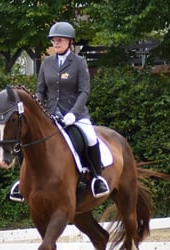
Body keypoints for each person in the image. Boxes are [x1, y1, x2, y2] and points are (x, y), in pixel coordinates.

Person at [9, 21, 111, 202]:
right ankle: (21, 181)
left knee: (90, 137)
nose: (56, 44)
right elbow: (40, 91)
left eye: (60, 40)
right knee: (26, 139)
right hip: (50, 115)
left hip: (75, 115)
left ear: (70, 42)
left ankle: (97, 178)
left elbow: (84, 91)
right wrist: (37, 110)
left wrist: (73, 113)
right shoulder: (47, 63)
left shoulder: (79, 62)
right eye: (54, 41)